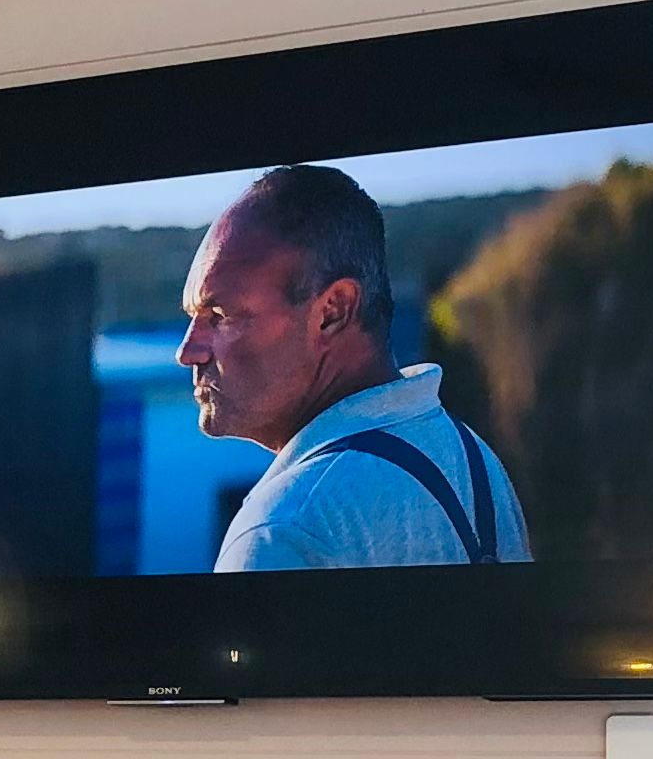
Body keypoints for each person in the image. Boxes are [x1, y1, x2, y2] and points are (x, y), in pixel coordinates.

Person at [176, 162, 529, 571]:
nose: (188, 352)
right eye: (191, 317)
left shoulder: (284, 530)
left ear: (333, 311)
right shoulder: (472, 460)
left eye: (219, 315)